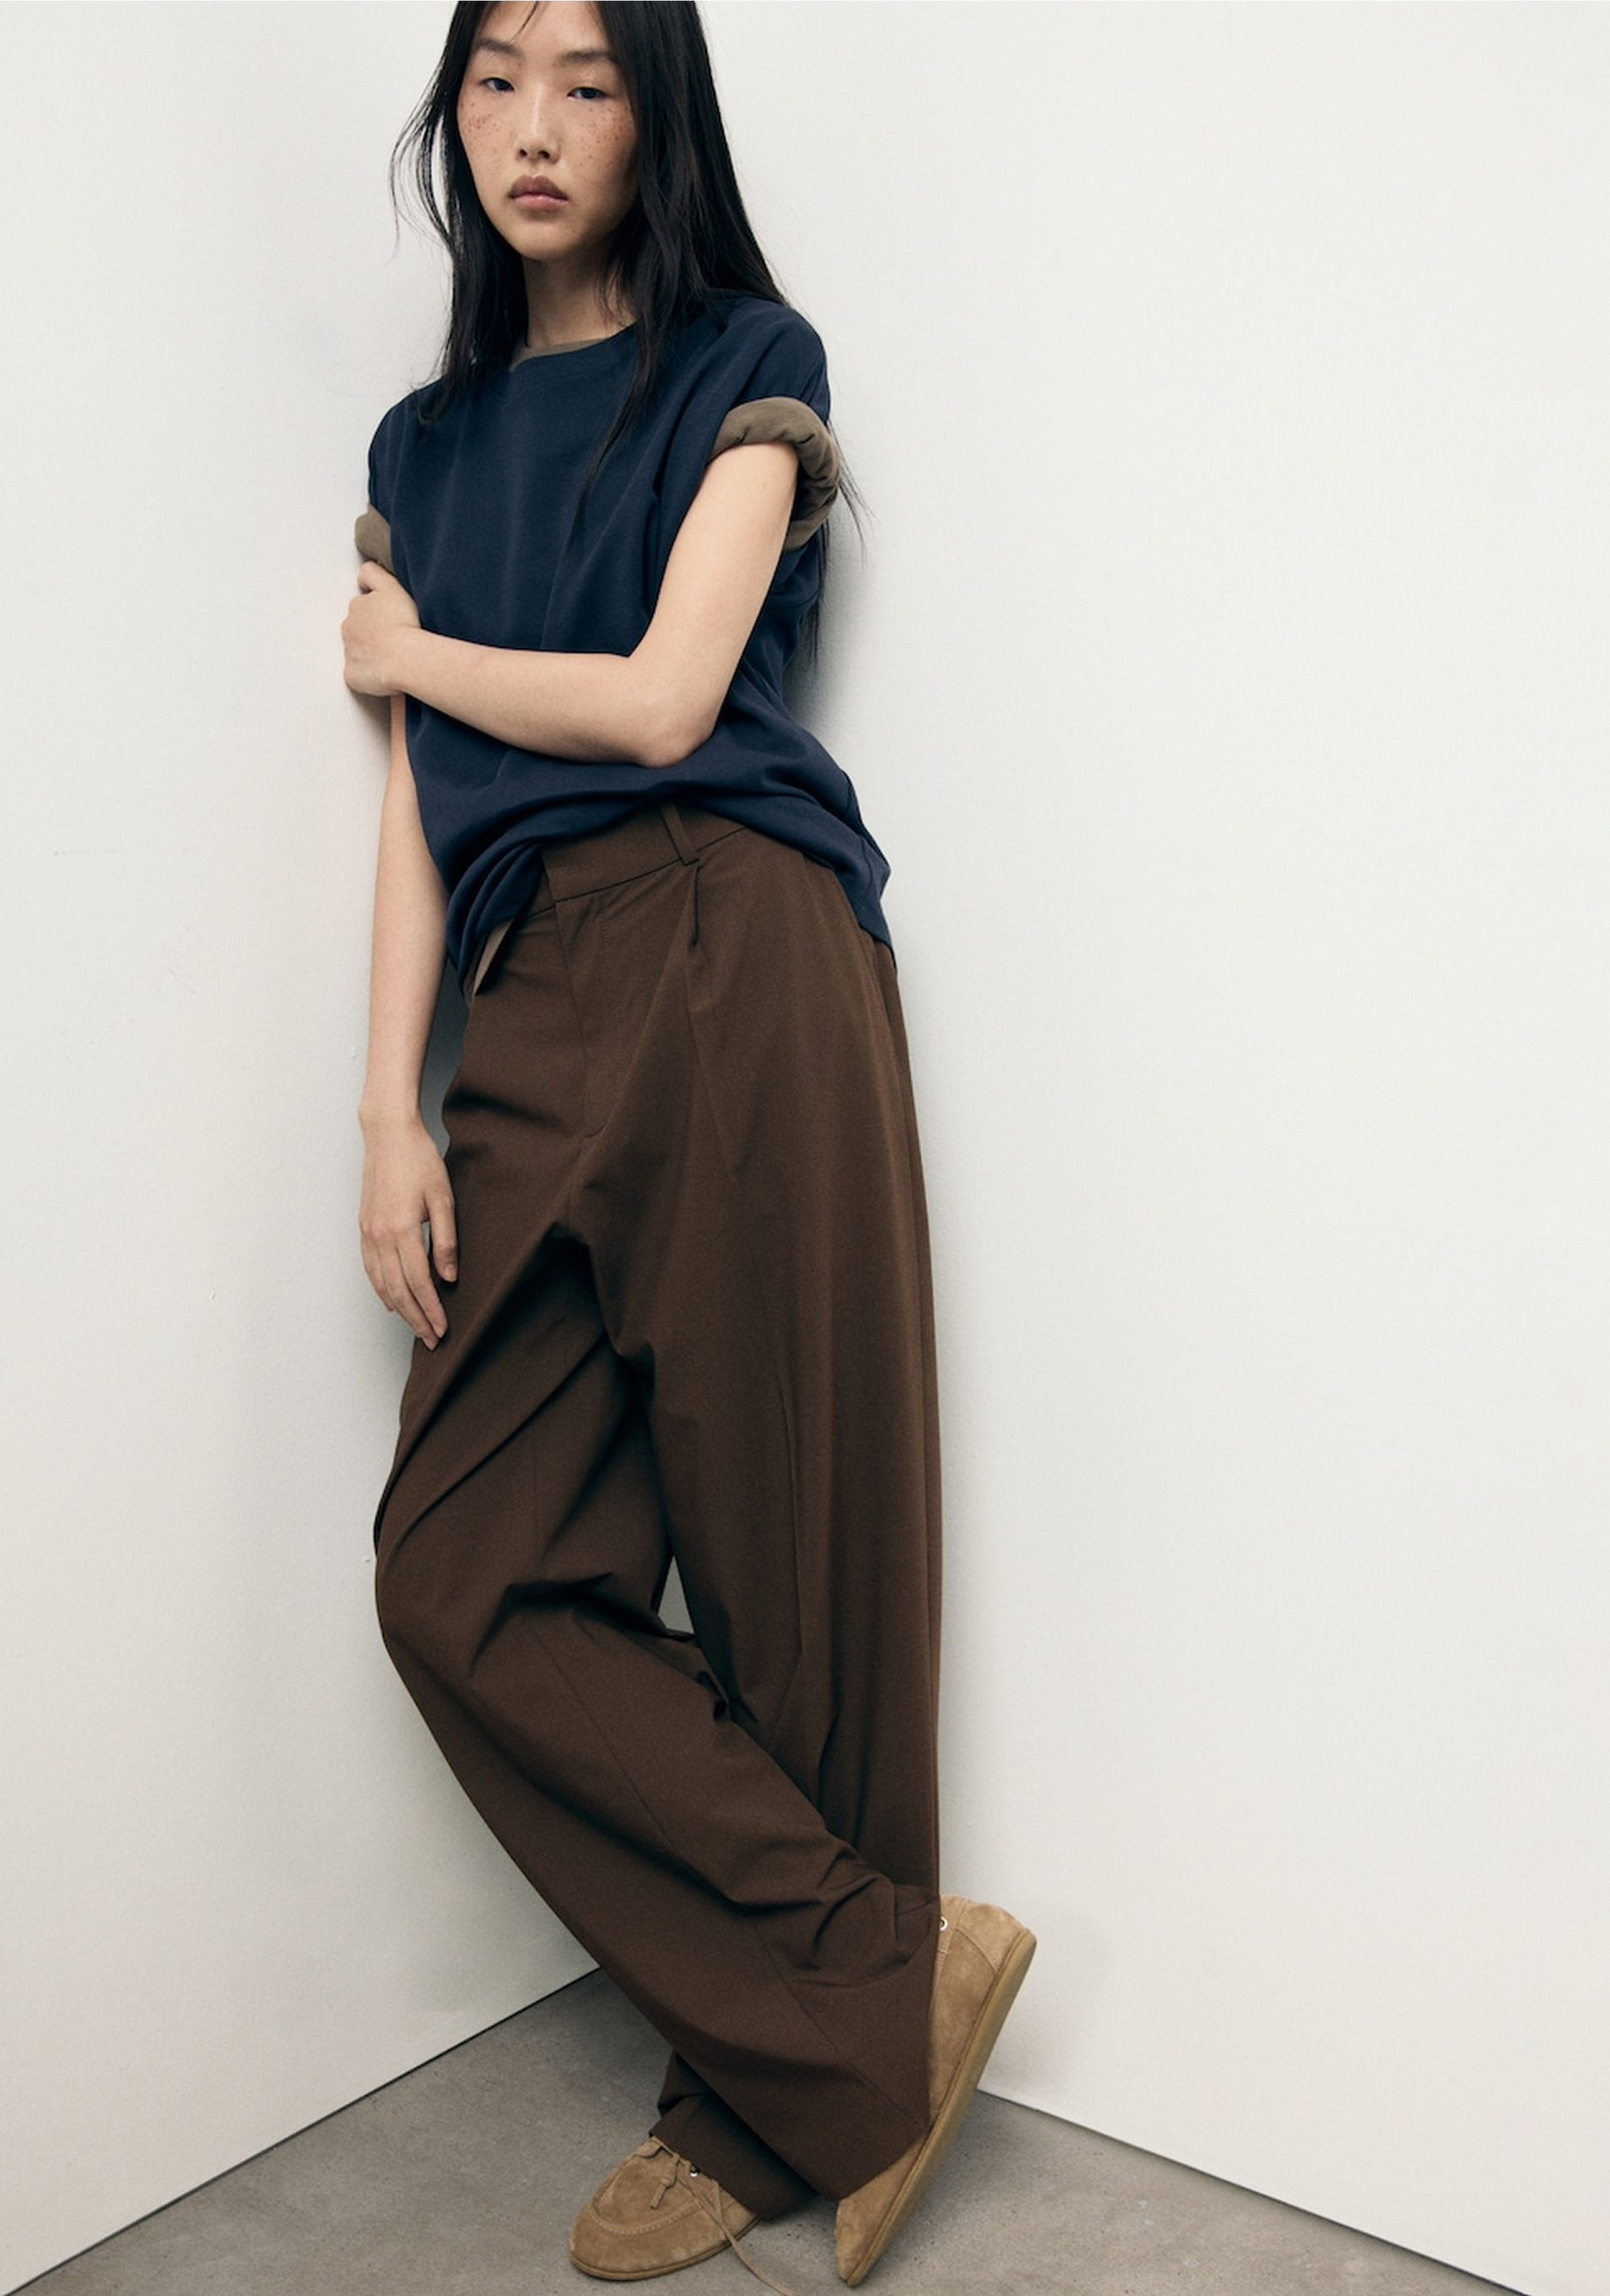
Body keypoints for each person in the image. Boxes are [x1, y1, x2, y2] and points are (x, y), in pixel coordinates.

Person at [339, 4, 1033, 2283]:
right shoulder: (423, 445)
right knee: (458, 1573)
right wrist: (387, 1105)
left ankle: (754, 2103)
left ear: (662, 116)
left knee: (789, 1541)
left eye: (590, 78)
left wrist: (409, 655)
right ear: (451, 111)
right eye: (495, 77)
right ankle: (875, 1987)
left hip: (736, 930)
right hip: (532, 987)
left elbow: (660, 698)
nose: (533, 127)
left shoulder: (751, 360)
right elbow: (421, 813)